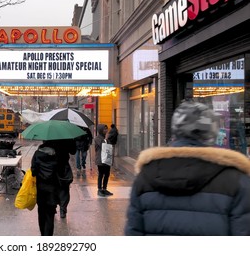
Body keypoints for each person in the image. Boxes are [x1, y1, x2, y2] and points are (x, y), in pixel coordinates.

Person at [125, 101, 250, 235]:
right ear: (212, 133)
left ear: (175, 130)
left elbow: (133, 231)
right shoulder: (236, 181)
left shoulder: (145, 177)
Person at [30, 140, 60, 236]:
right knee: (50, 215)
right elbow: (60, 171)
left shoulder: (37, 154)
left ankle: (43, 234)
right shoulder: (56, 155)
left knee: (41, 213)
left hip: (41, 189)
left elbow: (33, 171)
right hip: (52, 190)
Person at [94, 124, 112, 197]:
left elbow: (109, 145)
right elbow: (103, 146)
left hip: (106, 158)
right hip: (100, 159)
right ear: (100, 130)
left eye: (106, 129)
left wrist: (107, 139)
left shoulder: (104, 138)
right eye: (104, 129)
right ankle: (99, 189)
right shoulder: (98, 138)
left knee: (107, 174)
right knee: (101, 174)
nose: (106, 130)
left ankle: (104, 188)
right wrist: (106, 139)